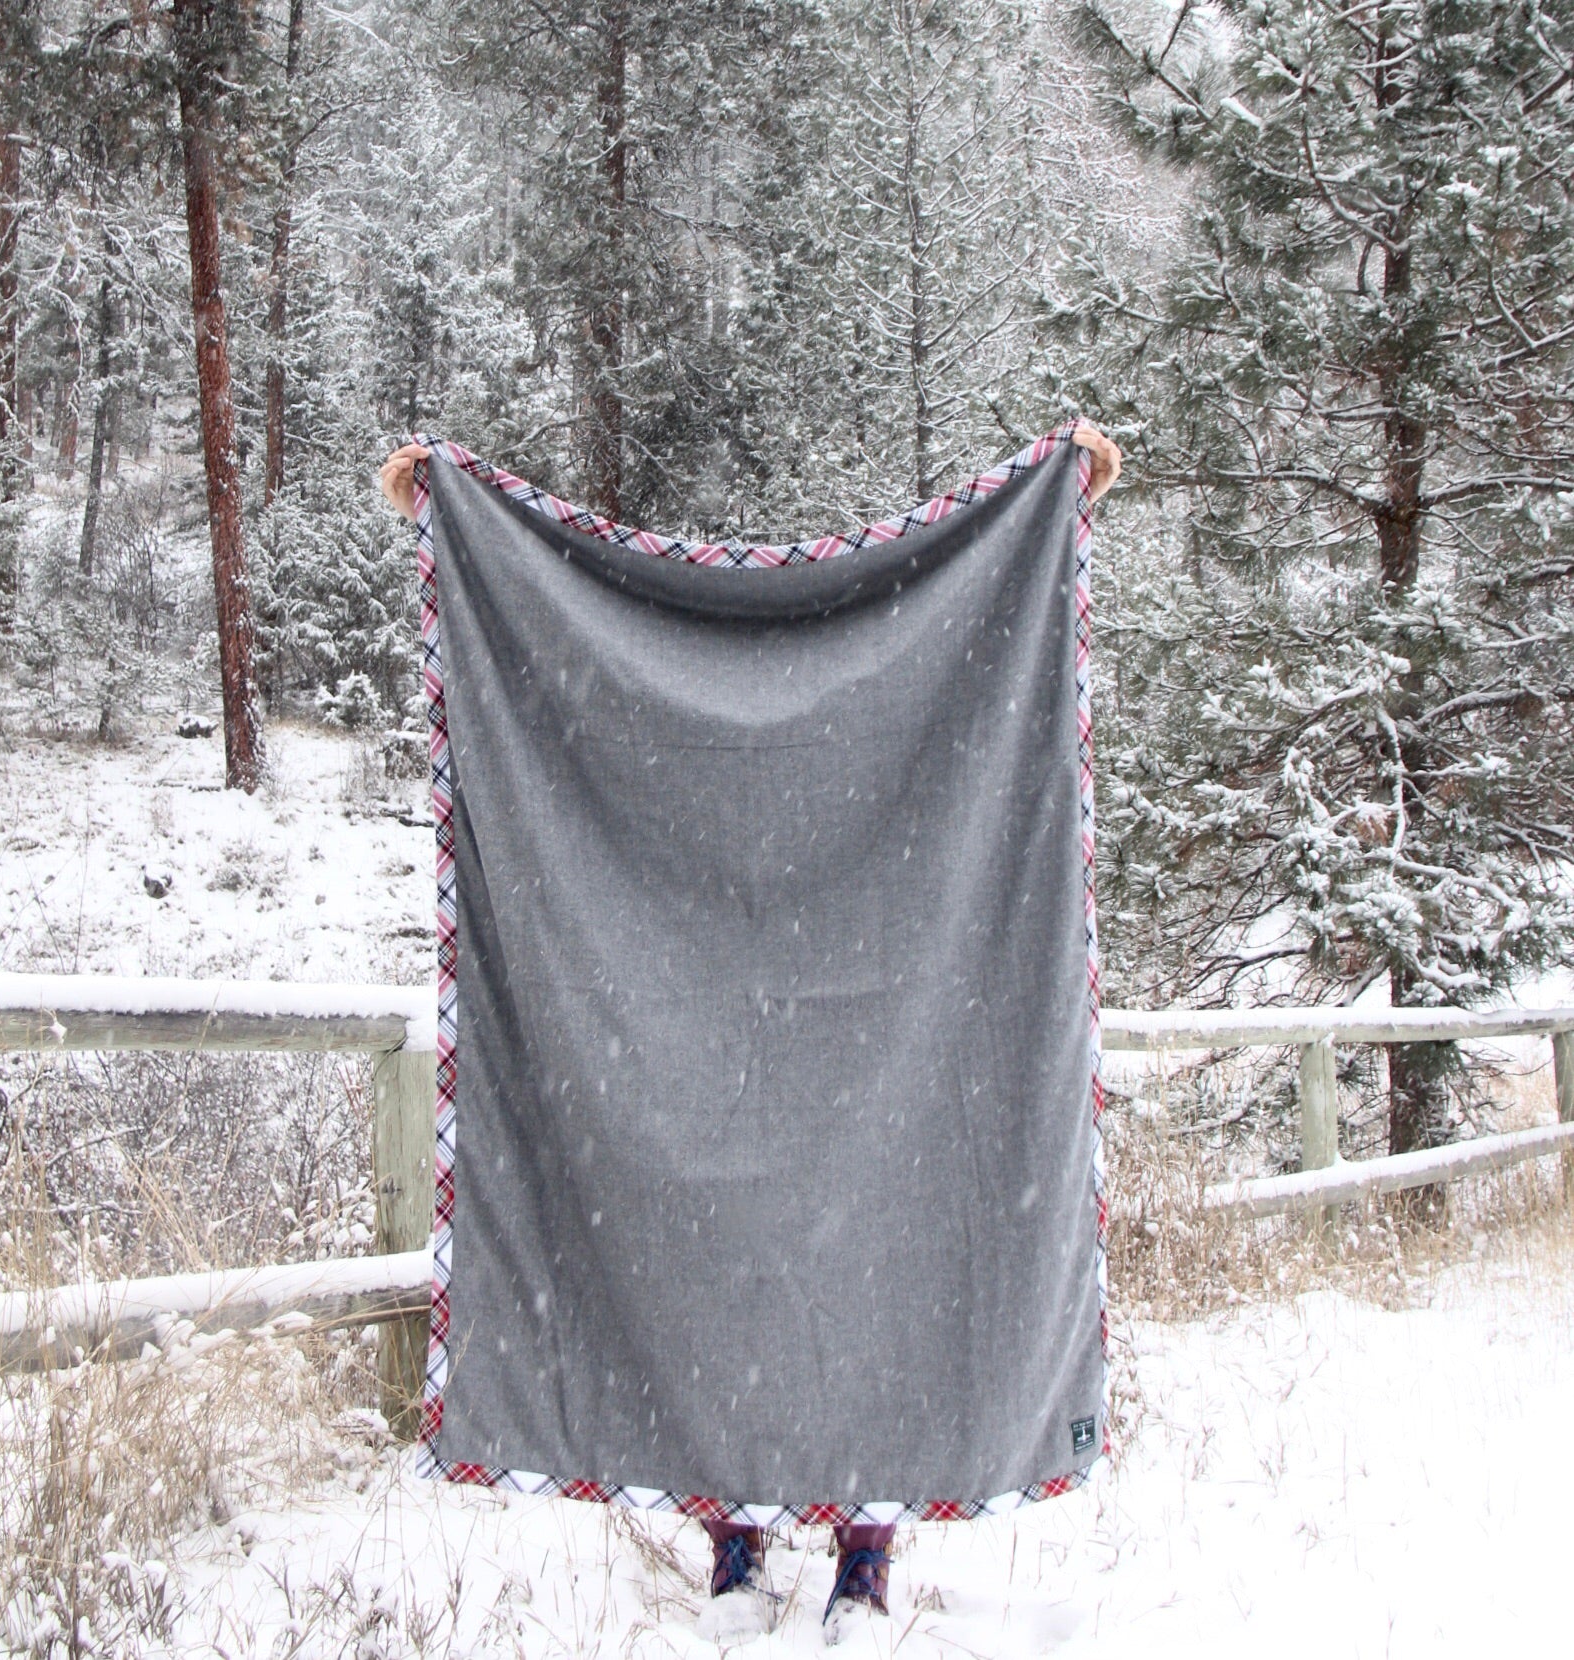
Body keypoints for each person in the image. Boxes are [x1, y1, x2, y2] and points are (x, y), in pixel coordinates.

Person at [379, 422, 1122, 1644]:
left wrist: (1057, 498)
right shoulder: (672, 687)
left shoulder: (912, 665)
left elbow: (989, 602)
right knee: (719, 1262)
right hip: (717, 1014)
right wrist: (455, 513)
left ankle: (865, 1541)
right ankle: (735, 1522)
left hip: (879, 995)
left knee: (879, 1251)